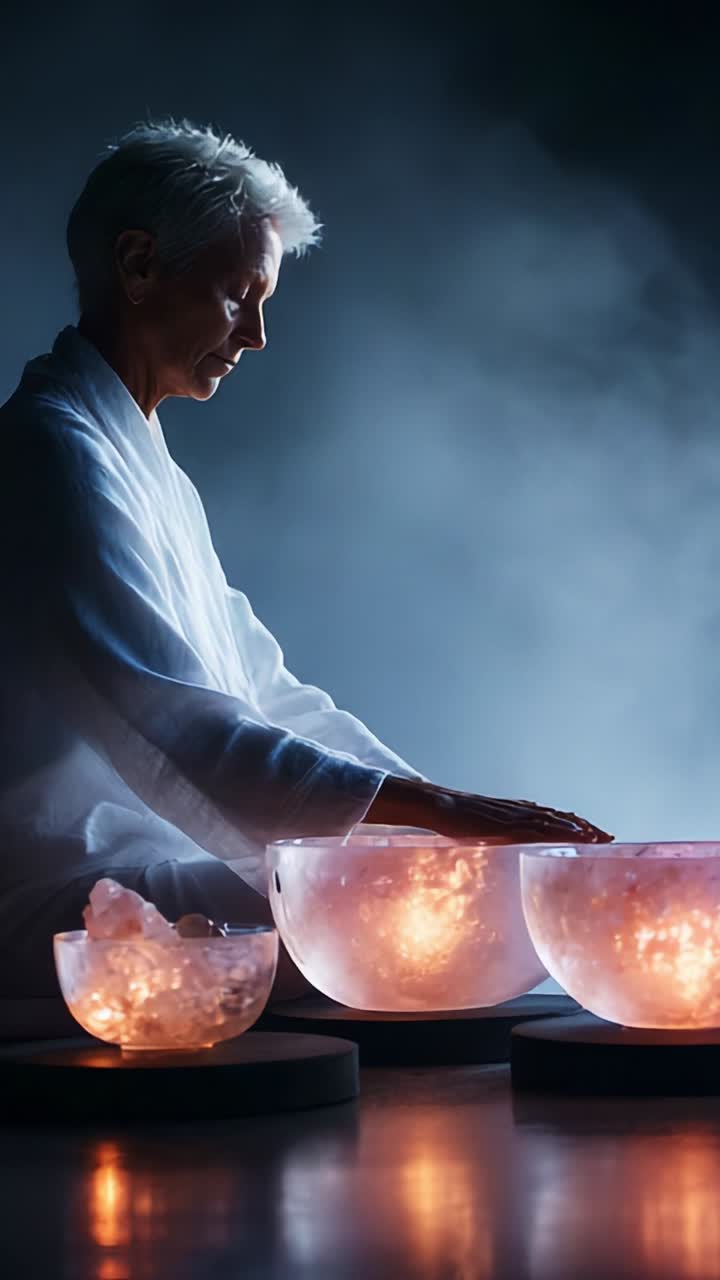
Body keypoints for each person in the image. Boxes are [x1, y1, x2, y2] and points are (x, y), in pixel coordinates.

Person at [0, 119, 610, 1005]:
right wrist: (437, 814)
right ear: (138, 265)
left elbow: (271, 694)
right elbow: (177, 723)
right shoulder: (50, 453)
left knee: (480, 882)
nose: (255, 335)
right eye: (237, 295)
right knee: (485, 906)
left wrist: (435, 813)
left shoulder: (142, 463)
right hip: (73, 897)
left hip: (168, 876)